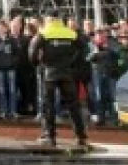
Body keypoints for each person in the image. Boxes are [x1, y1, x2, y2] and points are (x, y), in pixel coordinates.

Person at [31, 13, 90, 149]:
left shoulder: (43, 33)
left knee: (48, 106)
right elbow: (84, 49)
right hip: (67, 72)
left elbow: (32, 53)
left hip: (49, 73)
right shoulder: (70, 33)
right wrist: (72, 63)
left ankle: (50, 136)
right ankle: (81, 137)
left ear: (48, 20)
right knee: (74, 106)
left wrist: (39, 64)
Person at [0, 19, 21, 120]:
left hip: (11, 69)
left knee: (12, 90)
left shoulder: (12, 39)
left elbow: (18, 54)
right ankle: (3, 111)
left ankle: (13, 111)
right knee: (1, 91)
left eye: (1, 27)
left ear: (6, 28)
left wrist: (13, 63)